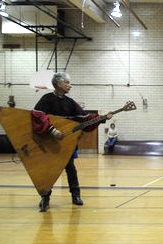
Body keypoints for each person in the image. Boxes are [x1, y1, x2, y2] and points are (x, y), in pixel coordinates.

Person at [31, 72, 113, 212]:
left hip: (66, 144)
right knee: (49, 171)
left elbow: (84, 119)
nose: (70, 85)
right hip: (49, 143)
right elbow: (38, 117)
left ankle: (76, 196)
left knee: (70, 169)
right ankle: (45, 197)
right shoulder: (46, 99)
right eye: (67, 83)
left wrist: (102, 118)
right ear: (58, 84)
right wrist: (52, 130)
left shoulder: (70, 102)